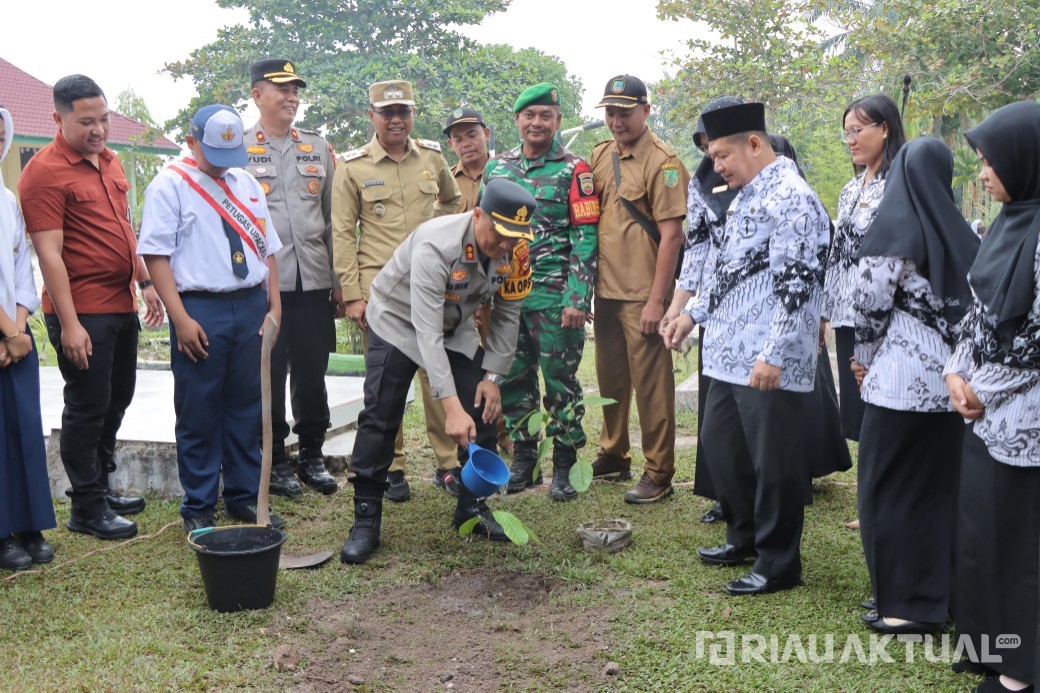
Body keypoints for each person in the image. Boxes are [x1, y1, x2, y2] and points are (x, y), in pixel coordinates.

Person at [664, 102, 830, 596]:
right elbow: (726, 270)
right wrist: (691, 314)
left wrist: (774, 353)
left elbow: (799, 286)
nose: (715, 166)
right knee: (722, 446)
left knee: (774, 462)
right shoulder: (747, 195)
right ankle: (743, 536)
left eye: (721, 155)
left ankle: (778, 562)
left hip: (767, 355)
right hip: (726, 351)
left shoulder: (793, 197)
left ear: (754, 143)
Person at [338, 178, 535, 564]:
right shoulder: (436, 245)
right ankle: (366, 517)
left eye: (515, 237)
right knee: (381, 413)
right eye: (499, 233)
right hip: (397, 322)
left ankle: (471, 508)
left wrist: (492, 378)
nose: (505, 245)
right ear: (477, 215)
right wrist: (451, 408)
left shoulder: (516, 252)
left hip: (453, 328)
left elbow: (508, 315)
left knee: (482, 408)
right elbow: (425, 334)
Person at [19, 74, 164, 541]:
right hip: (81, 311)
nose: (99, 129)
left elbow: (123, 227)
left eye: (103, 119)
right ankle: (86, 506)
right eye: (86, 122)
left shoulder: (110, 160)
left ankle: (101, 484)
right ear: (58, 118)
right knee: (87, 405)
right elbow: (49, 255)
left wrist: (145, 281)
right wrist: (70, 325)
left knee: (118, 396)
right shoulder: (42, 172)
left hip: (120, 302)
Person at [850, 137, 979, 635]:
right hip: (953, 387)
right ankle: (939, 596)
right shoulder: (963, 234)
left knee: (886, 492)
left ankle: (905, 605)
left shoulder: (892, 229)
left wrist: (862, 362)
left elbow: (869, 309)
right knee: (939, 493)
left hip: (899, 387)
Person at [138, 105, 284, 533]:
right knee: (199, 409)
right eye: (215, 155)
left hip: (250, 305)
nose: (223, 166)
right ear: (191, 142)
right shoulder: (169, 185)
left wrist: (275, 305)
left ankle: (243, 496)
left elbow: (268, 249)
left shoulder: (246, 183)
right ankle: (199, 505)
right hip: (199, 309)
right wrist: (180, 318)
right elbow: (156, 255)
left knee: (246, 406)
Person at [945, 100, 1040, 693]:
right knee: (982, 535)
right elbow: (977, 311)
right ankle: (990, 647)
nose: (982, 174)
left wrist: (982, 386)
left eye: (989, 162)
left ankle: (1022, 671)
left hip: (1025, 420)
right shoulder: (1010, 222)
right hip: (985, 415)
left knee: (1021, 547)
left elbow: (1036, 337)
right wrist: (956, 372)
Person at [332, 79, 463, 503]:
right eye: (387, 112)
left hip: (431, 285)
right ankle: (392, 467)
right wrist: (352, 294)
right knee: (385, 382)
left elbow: (453, 202)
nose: (396, 120)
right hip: (380, 292)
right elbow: (341, 232)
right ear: (371, 116)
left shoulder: (432, 157)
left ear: (413, 115)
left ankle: (448, 464)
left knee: (436, 372)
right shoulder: (352, 167)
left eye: (403, 111)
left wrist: (437, 240)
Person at [485, 83, 600, 501]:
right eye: (529, 115)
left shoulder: (575, 170)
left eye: (546, 116)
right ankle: (524, 459)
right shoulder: (497, 169)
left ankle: (565, 462)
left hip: (555, 298)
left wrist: (577, 298)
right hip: (507, 297)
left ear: (557, 121)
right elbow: (483, 230)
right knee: (513, 379)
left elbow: (586, 237)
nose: (537, 123)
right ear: (517, 119)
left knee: (560, 383)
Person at [589, 75, 689, 504]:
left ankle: (658, 471)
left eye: (625, 113)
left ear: (646, 111)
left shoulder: (663, 162)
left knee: (651, 387)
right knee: (610, 379)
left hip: (643, 294)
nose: (616, 121)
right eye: (610, 112)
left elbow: (672, 236)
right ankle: (614, 454)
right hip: (606, 290)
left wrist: (656, 301)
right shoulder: (599, 155)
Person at [244, 59, 340, 497]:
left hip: (314, 281)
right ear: (257, 95)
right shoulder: (239, 149)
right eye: (281, 89)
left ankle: (312, 454)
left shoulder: (317, 148)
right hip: (265, 287)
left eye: (295, 89)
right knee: (269, 372)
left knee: (312, 372)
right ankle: (276, 458)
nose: (291, 97)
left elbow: (333, 220)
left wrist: (339, 282)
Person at [663, 97, 743, 524]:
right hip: (714, 307)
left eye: (716, 144)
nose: (712, 155)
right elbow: (696, 248)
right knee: (719, 410)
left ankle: (762, 500)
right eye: (704, 146)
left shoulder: (773, 176)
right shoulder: (701, 181)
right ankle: (725, 494)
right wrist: (679, 306)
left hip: (761, 312)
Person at [821, 95, 906, 444]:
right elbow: (837, 255)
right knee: (858, 413)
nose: (851, 140)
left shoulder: (899, 184)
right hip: (847, 315)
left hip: (884, 315)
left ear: (884, 128)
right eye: (847, 133)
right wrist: (824, 311)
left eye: (857, 130)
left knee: (882, 408)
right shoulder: (850, 189)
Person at [0, 106, 57, 571]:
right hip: (7, 335)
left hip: (14, 340)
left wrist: (18, 331)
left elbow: (23, 268)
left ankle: (29, 524)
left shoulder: (6, 200)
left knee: (23, 428)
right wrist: (8, 332)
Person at [444, 106, 514, 466]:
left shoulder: (507, 172)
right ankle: (458, 446)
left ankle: (507, 433)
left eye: (471, 134)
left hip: (500, 277)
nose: (465, 143)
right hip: (459, 289)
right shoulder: (445, 179)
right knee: (465, 367)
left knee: (503, 355)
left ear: (486, 133)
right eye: (457, 138)